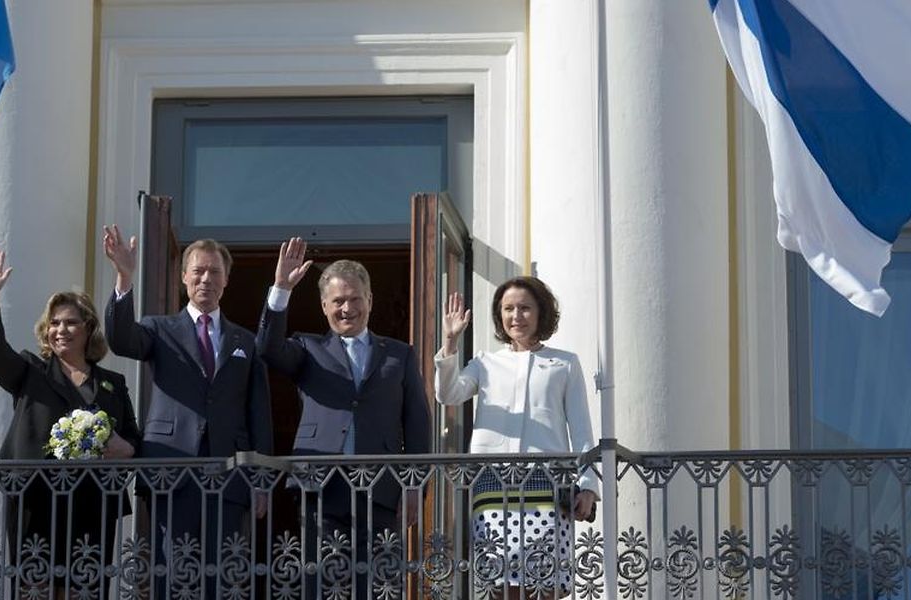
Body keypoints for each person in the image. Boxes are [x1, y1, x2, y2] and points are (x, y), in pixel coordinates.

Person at [102, 226, 273, 598]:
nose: (206, 279)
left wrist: (261, 479)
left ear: (226, 280)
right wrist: (124, 276)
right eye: (198, 271)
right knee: (172, 574)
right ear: (184, 278)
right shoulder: (159, 329)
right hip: (172, 472)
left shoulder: (245, 340)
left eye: (214, 271)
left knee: (223, 577)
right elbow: (120, 339)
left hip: (230, 475)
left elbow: (258, 413)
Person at [257, 237, 430, 595]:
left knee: (380, 587)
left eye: (354, 298)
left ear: (370, 301)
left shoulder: (399, 354)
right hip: (322, 488)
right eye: (338, 301)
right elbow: (268, 349)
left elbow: (417, 424)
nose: (346, 308)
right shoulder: (308, 348)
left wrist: (415, 487)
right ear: (324, 306)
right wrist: (281, 289)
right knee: (323, 586)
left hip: (381, 489)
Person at [0, 248, 140, 599]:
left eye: (70, 322)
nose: (61, 330)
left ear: (88, 328)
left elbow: (133, 439)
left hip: (93, 501)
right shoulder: (30, 370)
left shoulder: (112, 383)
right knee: (36, 588)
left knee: (85, 589)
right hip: (36, 498)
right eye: (54, 323)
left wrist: (126, 448)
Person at [436, 277, 598, 598]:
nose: (516, 316)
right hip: (493, 484)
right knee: (502, 587)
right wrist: (451, 342)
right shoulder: (485, 362)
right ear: (499, 316)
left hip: (548, 483)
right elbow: (448, 394)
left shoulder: (564, 363)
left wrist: (589, 486)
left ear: (541, 313)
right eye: (508, 309)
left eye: (525, 308)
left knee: (546, 585)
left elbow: (581, 429)